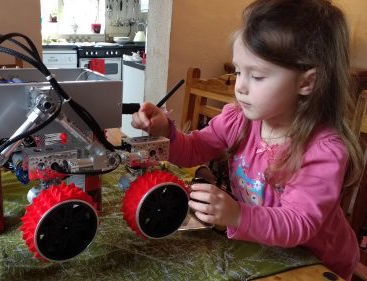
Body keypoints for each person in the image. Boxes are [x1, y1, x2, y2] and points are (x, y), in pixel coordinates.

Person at [131, 0, 363, 279]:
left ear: (306, 83)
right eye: (239, 71)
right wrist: (165, 132)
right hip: (262, 251)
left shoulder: (322, 151)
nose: (240, 86)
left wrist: (238, 215)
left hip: (313, 264)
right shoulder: (239, 120)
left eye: (257, 76)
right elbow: (193, 150)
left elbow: (298, 223)